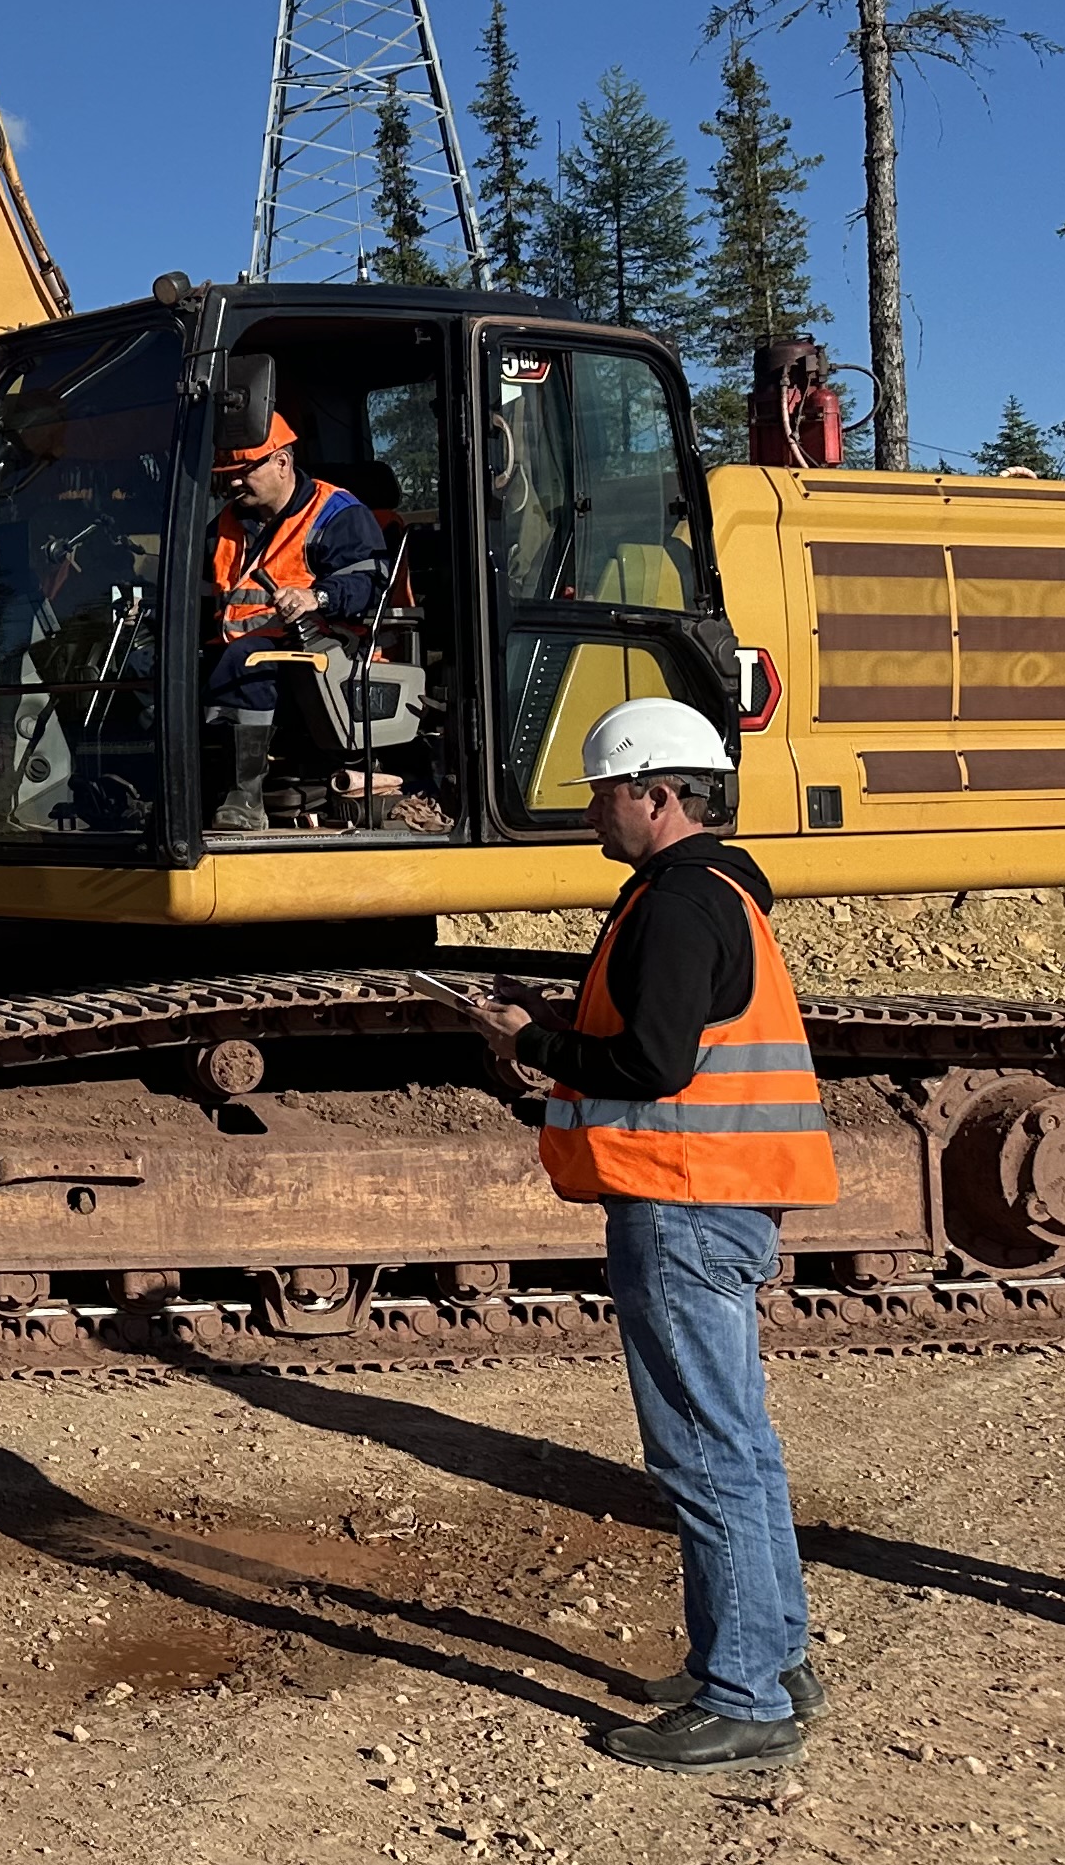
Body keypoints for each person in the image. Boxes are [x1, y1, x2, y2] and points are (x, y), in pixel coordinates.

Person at [466, 696, 835, 1773]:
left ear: (658, 794)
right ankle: (769, 1660)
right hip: (716, 1195)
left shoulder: (676, 905)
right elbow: (669, 1043)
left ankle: (745, 1698)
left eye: (603, 795)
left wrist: (530, 1041)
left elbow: (655, 1067)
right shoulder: (719, 895)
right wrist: (555, 1028)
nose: (592, 815)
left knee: (704, 1453)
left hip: (681, 1201)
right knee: (739, 1444)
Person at [206, 411, 387, 831]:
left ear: (282, 462)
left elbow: (369, 583)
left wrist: (316, 597)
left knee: (247, 661)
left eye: (243, 473)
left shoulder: (336, 513)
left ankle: (244, 795)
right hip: (239, 646)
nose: (234, 483)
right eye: (228, 475)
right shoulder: (226, 524)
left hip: (323, 647)